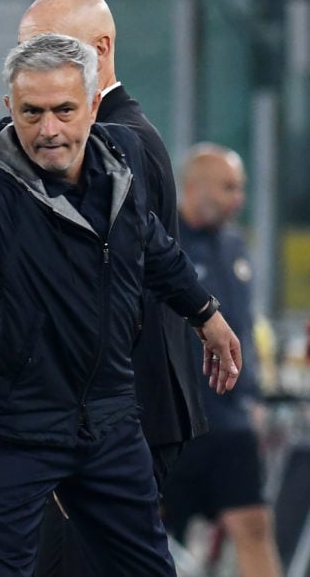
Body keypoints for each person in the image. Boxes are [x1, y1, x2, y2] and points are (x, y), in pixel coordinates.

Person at [0, 33, 242, 576]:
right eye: (31, 113)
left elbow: (153, 247)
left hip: (107, 419)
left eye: (64, 110)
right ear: (8, 108)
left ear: (91, 106)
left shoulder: (120, 164)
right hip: (13, 425)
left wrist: (206, 314)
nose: (48, 130)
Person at [16, 0, 212, 574]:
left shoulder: (116, 142)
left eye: (48, 51)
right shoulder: (111, 137)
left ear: (99, 50)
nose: (31, 69)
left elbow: (104, 295)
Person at [161, 144, 282, 577]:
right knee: (150, 536)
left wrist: (250, 398)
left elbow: (246, 329)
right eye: (229, 187)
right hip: (173, 422)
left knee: (252, 526)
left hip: (229, 422)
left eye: (242, 188)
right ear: (195, 187)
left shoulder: (234, 246)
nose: (239, 198)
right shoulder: (161, 244)